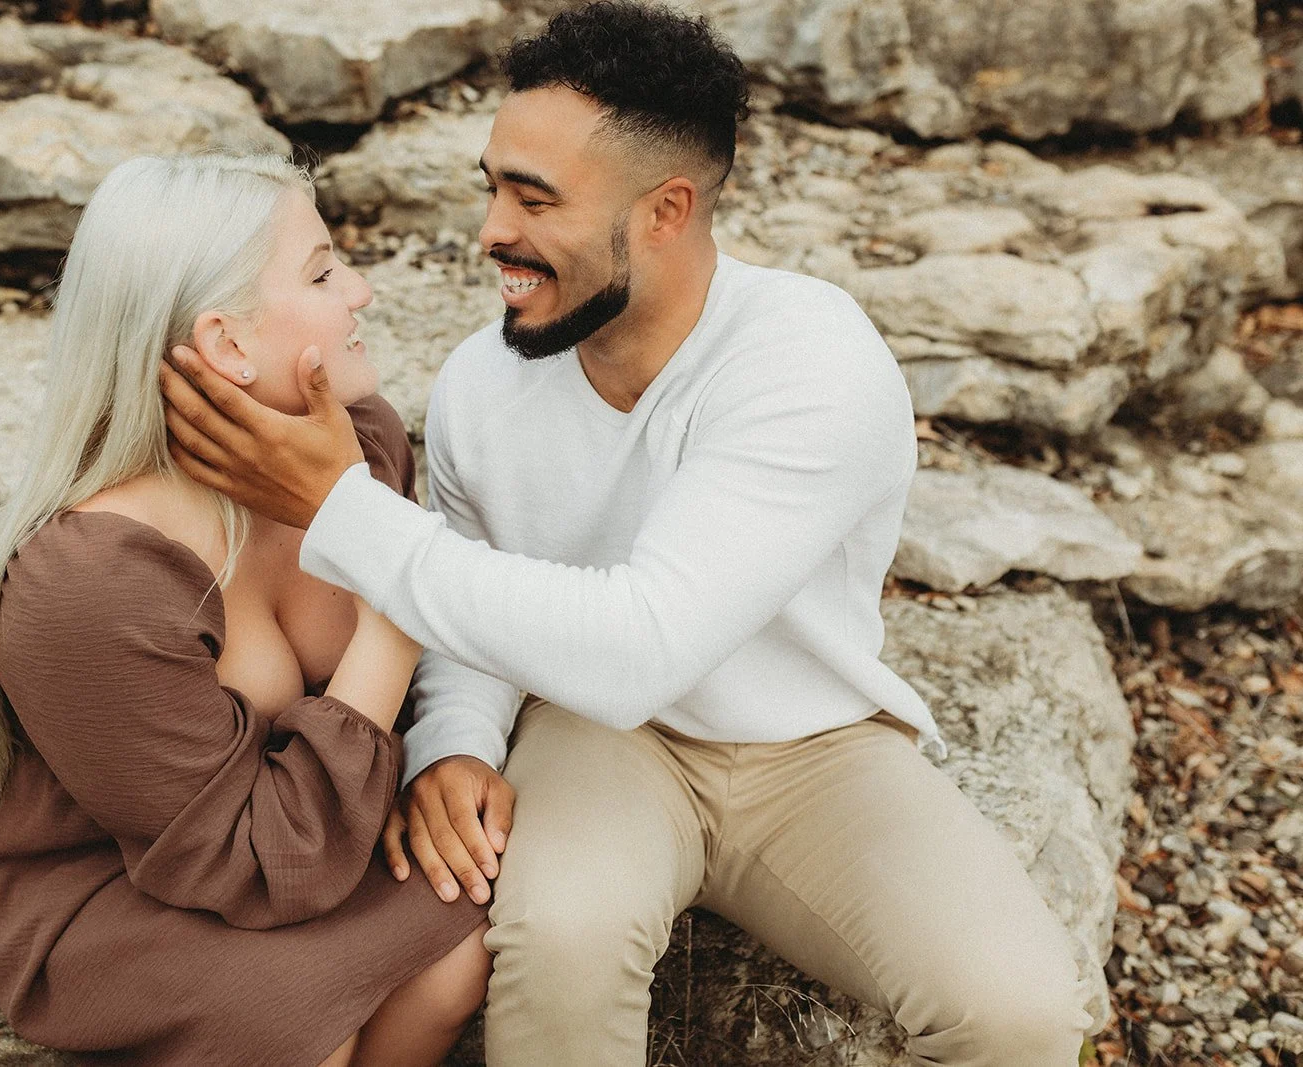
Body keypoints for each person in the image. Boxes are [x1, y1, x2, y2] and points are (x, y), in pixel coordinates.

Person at [160, 5, 1098, 1066]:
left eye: (535, 200)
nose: (491, 232)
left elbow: (641, 644)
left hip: (813, 748)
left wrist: (340, 506)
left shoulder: (810, 359)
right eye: (491, 187)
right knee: (559, 942)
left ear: (666, 211)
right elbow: (470, 596)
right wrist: (456, 740)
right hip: (597, 742)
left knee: (1019, 1014)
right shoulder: (481, 383)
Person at [0, 153, 489, 1067]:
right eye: (323, 273)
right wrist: (398, 596)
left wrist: (450, 754)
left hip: (339, 834)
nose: (360, 290)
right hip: (136, 890)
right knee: (295, 1026)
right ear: (228, 343)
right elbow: (260, 857)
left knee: (462, 947)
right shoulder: (90, 584)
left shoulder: (360, 441)